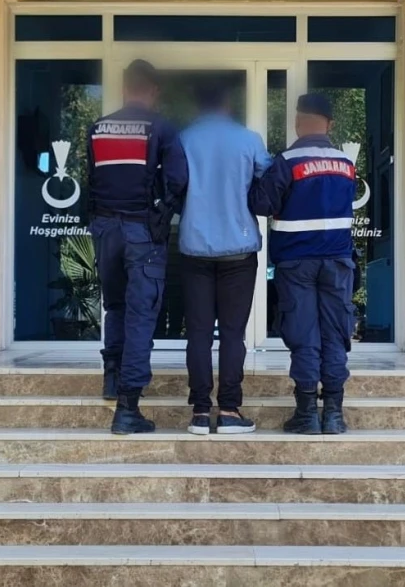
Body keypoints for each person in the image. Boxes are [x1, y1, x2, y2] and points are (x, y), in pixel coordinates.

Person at [86, 60, 187, 434]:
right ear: (154, 91)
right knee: (141, 315)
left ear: (124, 88)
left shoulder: (98, 128)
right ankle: (128, 408)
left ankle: (112, 379)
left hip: (105, 230)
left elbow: (91, 180)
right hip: (141, 232)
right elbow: (178, 181)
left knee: (115, 306)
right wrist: (162, 215)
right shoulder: (160, 127)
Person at [249, 93, 356, 435]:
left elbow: (262, 204)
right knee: (335, 334)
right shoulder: (346, 163)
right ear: (330, 124)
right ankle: (334, 414)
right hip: (337, 261)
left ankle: (307, 414)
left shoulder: (288, 161)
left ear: (297, 122)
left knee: (304, 334)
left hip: (296, 263)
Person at [177, 81, 272, 435]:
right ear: (228, 103)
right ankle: (230, 410)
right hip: (239, 249)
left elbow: (173, 185)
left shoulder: (184, 140)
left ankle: (201, 412)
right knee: (233, 334)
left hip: (194, 248)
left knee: (198, 334)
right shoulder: (249, 140)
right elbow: (269, 182)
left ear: (197, 106)